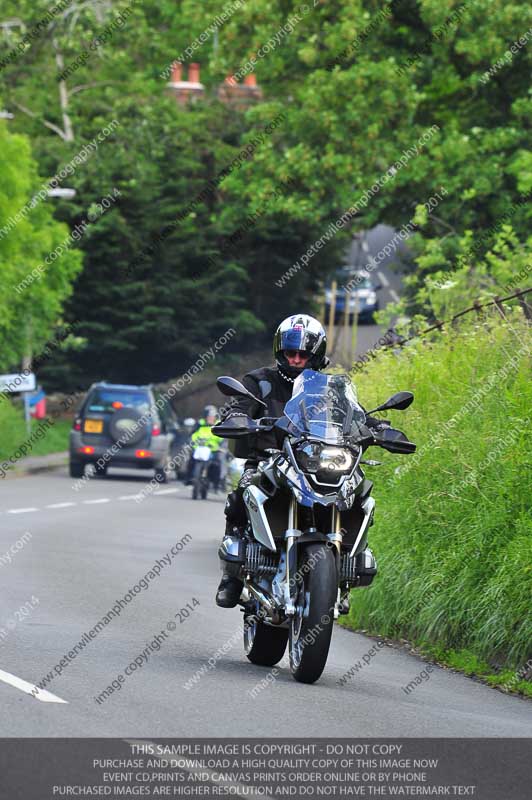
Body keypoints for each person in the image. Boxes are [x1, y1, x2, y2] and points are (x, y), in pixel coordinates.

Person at [215, 314, 329, 608]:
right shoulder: (259, 381)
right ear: (280, 352)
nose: (296, 359)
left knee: (353, 493)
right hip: (267, 460)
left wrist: (375, 425)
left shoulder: (327, 387)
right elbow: (239, 404)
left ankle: (340, 566)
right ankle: (232, 577)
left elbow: (350, 413)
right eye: (290, 353)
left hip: (312, 464)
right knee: (242, 495)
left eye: (303, 354)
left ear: (315, 355)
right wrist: (237, 416)